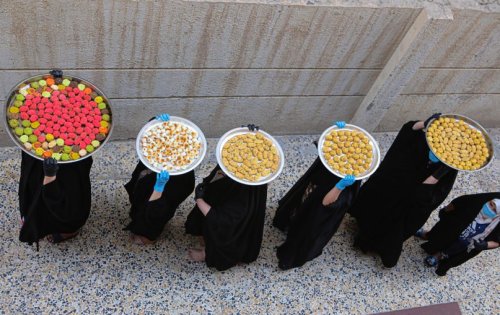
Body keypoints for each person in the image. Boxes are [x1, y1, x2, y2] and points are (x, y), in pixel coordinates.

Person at [349, 114, 458, 267]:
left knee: (388, 229)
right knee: (373, 214)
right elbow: (407, 132)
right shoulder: (422, 143)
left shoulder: (447, 170)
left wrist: (438, 173)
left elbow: (428, 198)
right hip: (390, 191)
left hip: (404, 207)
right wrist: (424, 123)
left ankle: (374, 245)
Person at [273, 121, 360, 270]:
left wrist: (340, 186)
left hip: (317, 210)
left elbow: (327, 203)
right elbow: (321, 147)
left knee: (302, 230)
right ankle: (289, 222)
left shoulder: (349, 182)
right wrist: (332, 133)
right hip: (311, 192)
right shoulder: (331, 161)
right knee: (297, 209)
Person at [124, 114, 195, 244]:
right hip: (144, 189)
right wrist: (154, 121)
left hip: (156, 204)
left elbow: (157, 212)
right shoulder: (151, 158)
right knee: (139, 207)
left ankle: (147, 237)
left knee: (148, 220)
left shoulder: (180, 178)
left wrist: (159, 188)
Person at [185, 165, 268, 271]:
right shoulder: (254, 183)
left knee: (220, 238)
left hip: (229, 229)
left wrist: (199, 199)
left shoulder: (240, 202)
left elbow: (219, 220)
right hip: (228, 199)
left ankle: (206, 254)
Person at [19, 154, 92, 249]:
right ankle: (34, 217)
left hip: (70, 163)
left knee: (69, 196)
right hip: (40, 153)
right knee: (35, 180)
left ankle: (67, 229)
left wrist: (50, 177)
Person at [416, 193, 500, 276]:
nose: (489, 208)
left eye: (494, 210)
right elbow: (465, 200)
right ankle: (429, 235)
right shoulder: (483, 201)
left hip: (466, 242)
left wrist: (484, 245)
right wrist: (446, 210)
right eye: (490, 204)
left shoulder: (494, 224)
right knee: (443, 231)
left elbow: (498, 241)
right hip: (458, 226)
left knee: (454, 250)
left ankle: (438, 256)